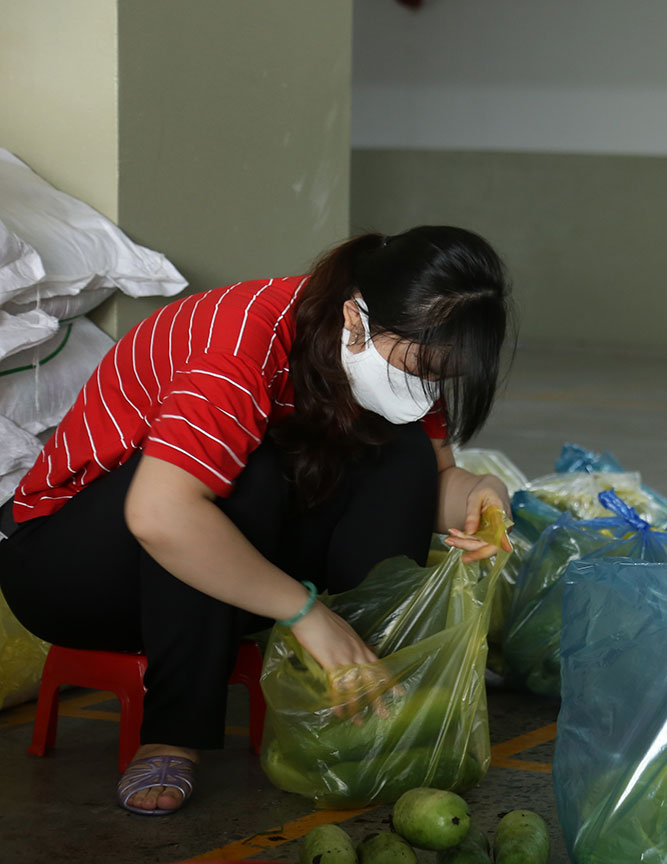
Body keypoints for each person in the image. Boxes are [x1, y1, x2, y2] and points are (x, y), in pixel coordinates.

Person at [0, 225, 513, 815]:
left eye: (441, 376)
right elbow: (160, 514)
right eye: (419, 367)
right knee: (245, 473)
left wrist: (484, 492)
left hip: (214, 558)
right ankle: (173, 732)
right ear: (355, 318)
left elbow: (438, 482)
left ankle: (363, 682)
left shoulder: (403, 352)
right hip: (69, 570)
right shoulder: (242, 339)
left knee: (401, 454)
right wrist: (305, 611)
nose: (427, 390)